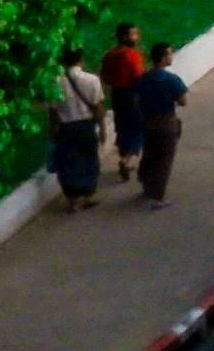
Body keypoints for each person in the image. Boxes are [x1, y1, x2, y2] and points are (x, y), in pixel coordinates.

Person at [47, 49, 108, 211]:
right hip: (86, 126)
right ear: (81, 58)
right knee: (89, 160)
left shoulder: (54, 82)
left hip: (65, 128)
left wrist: (52, 130)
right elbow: (98, 107)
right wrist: (102, 129)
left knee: (67, 162)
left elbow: (52, 111)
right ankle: (88, 195)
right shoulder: (92, 80)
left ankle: (72, 200)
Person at [134, 50, 190, 207]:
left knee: (150, 153)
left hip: (147, 121)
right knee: (164, 159)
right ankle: (158, 197)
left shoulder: (143, 78)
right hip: (166, 122)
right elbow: (183, 101)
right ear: (163, 57)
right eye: (169, 54)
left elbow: (136, 101)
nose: (171, 57)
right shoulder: (171, 79)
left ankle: (146, 186)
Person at [99, 23, 151, 185]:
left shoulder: (109, 55)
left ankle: (123, 157)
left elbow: (105, 77)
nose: (137, 37)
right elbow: (138, 76)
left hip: (117, 95)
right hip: (133, 95)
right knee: (138, 128)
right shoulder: (132, 55)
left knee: (121, 127)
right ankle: (127, 160)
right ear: (124, 37)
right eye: (134, 34)